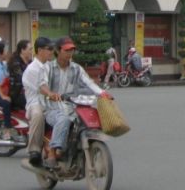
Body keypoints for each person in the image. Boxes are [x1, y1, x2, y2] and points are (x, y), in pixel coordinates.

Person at [44, 37, 110, 168]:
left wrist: (102, 93)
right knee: (63, 119)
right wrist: (50, 94)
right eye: (67, 50)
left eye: (72, 50)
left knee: (89, 119)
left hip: (72, 105)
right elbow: (43, 85)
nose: (70, 53)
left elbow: (88, 82)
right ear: (58, 51)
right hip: (52, 107)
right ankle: (52, 152)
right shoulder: (48, 68)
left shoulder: (76, 69)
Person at [22, 36, 58, 167]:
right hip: (35, 103)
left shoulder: (50, 66)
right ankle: (34, 151)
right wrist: (50, 94)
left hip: (50, 102)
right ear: (40, 50)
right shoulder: (32, 69)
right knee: (38, 114)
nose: (52, 52)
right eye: (49, 49)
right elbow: (42, 88)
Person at [7, 39, 32, 111]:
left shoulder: (30, 62)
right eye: (29, 49)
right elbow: (21, 78)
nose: (31, 52)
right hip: (17, 94)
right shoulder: (15, 63)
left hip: (28, 92)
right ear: (22, 50)